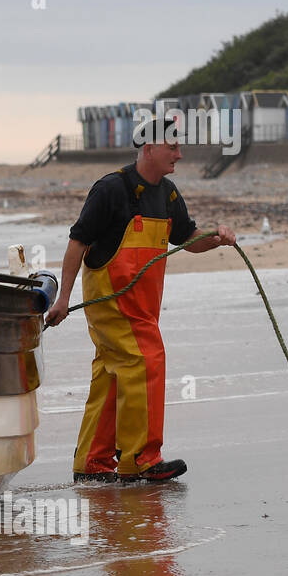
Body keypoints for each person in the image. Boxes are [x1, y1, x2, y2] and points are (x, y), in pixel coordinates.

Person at [43, 120, 236, 484]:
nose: (179, 154)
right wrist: (64, 297)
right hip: (110, 302)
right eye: (172, 147)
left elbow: (188, 238)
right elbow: (77, 243)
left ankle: (93, 461)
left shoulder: (168, 194)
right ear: (149, 149)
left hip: (143, 306)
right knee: (146, 359)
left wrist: (215, 237)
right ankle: (142, 459)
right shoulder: (110, 189)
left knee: (112, 375)